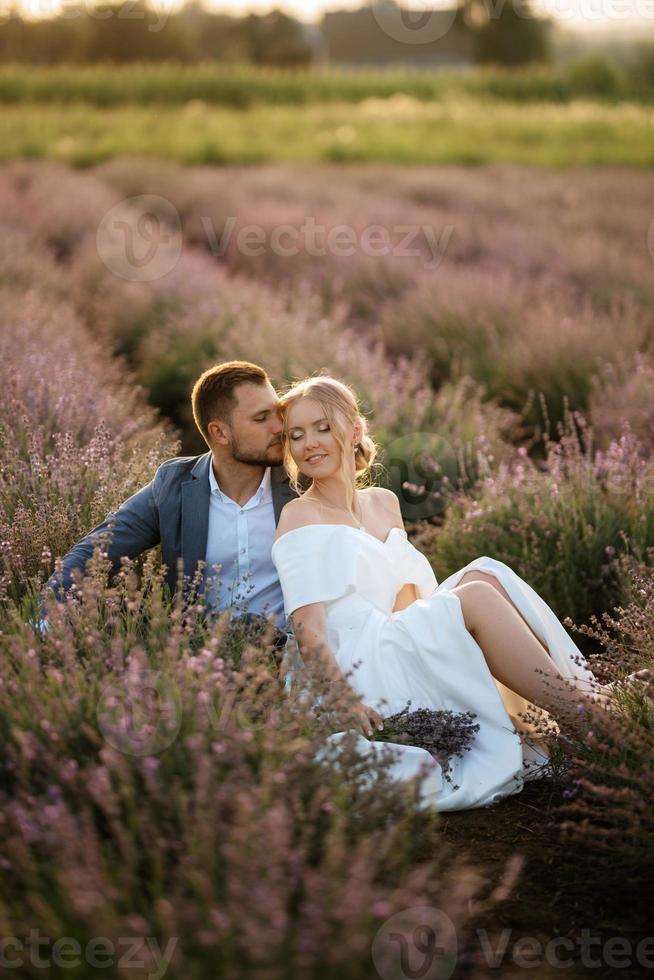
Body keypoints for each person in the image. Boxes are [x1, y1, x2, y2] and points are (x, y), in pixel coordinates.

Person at [271, 374, 625, 811]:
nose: (309, 444)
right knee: (472, 598)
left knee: (485, 575)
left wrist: (443, 642)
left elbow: (406, 601)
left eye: (323, 427)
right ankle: (590, 723)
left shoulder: (383, 502)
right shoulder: (299, 515)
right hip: (353, 662)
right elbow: (307, 627)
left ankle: (577, 705)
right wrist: (342, 698)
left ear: (355, 430)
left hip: (393, 639)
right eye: (296, 435)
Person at [44, 360, 298, 646]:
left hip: (288, 660)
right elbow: (93, 552)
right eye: (261, 418)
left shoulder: (302, 485)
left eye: (278, 413)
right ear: (220, 433)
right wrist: (42, 622)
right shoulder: (174, 486)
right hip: (201, 660)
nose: (280, 427)